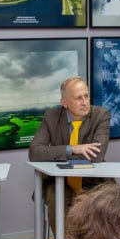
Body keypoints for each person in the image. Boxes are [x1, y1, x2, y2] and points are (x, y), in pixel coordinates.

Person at [27, 77, 111, 226]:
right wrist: (73, 148)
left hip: (93, 181)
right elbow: (35, 153)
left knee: (110, 203)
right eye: (78, 98)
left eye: (86, 96)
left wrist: (54, 154)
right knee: (56, 198)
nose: (85, 102)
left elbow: (97, 156)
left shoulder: (101, 115)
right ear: (64, 103)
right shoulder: (52, 116)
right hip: (59, 181)